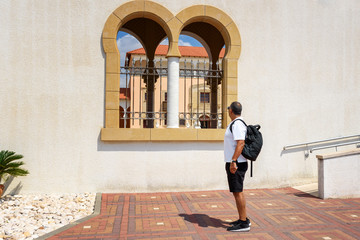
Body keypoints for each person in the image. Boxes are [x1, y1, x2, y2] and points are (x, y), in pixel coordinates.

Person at [224, 101, 251, 232]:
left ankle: (244, 223)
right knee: (237, 192)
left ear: (231, 111)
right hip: (236, 162)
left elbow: (240, 143)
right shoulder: (237, 123)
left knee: (238, 192)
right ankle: (243, 219)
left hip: (237, 163)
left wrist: (233, 161)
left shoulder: (237, 124)